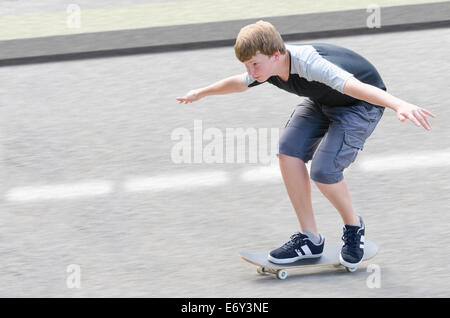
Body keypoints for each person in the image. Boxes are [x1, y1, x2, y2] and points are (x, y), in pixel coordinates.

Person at [176, 20, 435, 269]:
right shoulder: (265, 68)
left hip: (360, 104)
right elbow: (239, 83)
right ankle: (310, 238)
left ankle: (354, 227)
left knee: (324, 171)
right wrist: (200, 92)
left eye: (254, 64)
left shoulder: (311, 65)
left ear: (276, 54)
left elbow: (355, 86)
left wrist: (398, 104)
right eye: (247, 65)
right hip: (323, 100)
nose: (251, 72)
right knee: (288, 151)